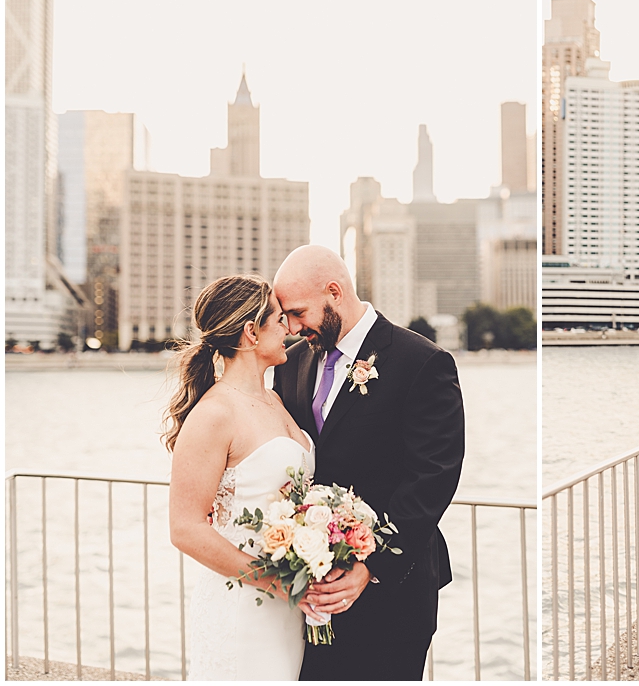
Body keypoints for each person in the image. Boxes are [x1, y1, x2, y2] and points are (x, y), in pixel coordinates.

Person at [271, 244, 465, 681]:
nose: (293, 327)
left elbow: (433, 476)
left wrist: (370, 566)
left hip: (393, 594)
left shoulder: (422, 362)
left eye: (299, 313)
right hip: (311, 591)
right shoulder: (293, 363)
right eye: (286, 317)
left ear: (334, 292)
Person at [167, 274, 317, 680]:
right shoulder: (215, 413)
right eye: (280, 319)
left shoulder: (275, 399)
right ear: (252, 332)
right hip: (244, 606)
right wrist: (274, 582)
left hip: (288, 606)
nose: (291, 328)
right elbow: (185, 528)